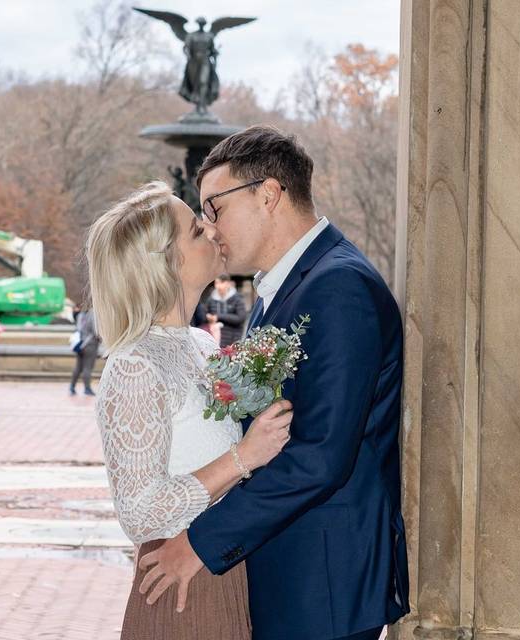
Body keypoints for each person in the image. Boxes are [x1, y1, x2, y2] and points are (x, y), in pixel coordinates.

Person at [136, 126, 409, 640]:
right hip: (291, 570)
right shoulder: (280, 288)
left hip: (320, 583)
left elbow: (321, 456)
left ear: (268, 194)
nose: (210, 227)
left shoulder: (338, 286)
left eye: (215, 207)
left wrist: (199, 541)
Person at [86, 180, 294, 640]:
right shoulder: (134, 364)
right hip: (182, 583)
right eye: (197, 231)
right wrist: (244, 457)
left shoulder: (201, 344)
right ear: (166, 262)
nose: (212, 230)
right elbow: (139, 513)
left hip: (227, 565)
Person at [204, 275, 247, 347]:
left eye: (221, 283)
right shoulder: (211, 299)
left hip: (233, 338)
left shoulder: (237, 299)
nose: (218, 286)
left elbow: (240, 318)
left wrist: (218, 317)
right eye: (216, 283)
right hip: (215, 338)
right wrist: (208, 317)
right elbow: (204, 315)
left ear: (228, 284)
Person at [69, 305, 100, 396]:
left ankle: (72, 387)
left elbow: (78, 329)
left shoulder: (80, 315)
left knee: (78, 367)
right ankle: (87, 388)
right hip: (90, 345)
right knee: (88, 367)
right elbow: (95, 332)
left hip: (79, 344)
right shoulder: (93, 315)